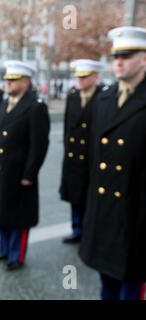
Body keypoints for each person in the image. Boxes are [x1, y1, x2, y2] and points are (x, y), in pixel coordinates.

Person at [79, 26, 146, 300]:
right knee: (106, 284)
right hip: (105, 212)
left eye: (127, 55)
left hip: (137, 216)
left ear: (144, 59)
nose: (118, 61)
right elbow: (95, 159)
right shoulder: (104, 98)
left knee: (131, 286)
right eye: (116, 55)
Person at [0, 61, 50, 271]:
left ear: (26, 82)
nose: (8, 83)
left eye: (13, 80)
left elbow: (39, 145)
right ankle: (4, 249)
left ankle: (16, 256)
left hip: (20, 174)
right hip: (3, 171)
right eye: (7, 79)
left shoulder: (35, 106)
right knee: (3, 213)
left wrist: (30, 173)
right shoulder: (6, 102)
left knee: (18, 217)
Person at [59, 59, 104, 244]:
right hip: (73, 156)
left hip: (92, 156)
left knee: (90, 198)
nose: (81, 81)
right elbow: (67, 126)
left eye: (85, 77)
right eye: (79, 77)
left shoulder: (103, 97)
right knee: (75, 196)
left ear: (95, 77)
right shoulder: (73, 96)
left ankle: (90, 232)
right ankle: (77, 229)